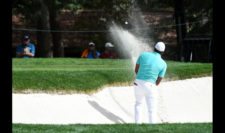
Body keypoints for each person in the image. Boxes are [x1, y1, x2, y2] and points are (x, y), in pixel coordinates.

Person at [134, 41, 167, 124]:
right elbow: (158, 81)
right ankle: (152, 127)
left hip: (138, 83)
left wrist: (141, 79)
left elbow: (136, 70)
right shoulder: (163, 64)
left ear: (154, 48)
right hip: (151, 86)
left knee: (138, 104)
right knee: (151, 109)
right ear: (163, 52)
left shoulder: (143, 55)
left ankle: (137, 124)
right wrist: (150, 84)